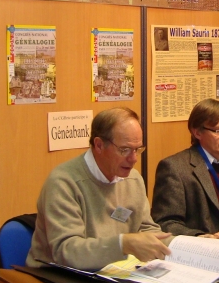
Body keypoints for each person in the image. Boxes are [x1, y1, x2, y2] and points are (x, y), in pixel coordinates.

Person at [26, 107, 171, 270]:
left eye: (137, 149)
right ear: (99, 145)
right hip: (59, 279)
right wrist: (123, 245)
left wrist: (193, 245)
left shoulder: (133, 179)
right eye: (124, 150)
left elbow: (147, 230)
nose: (134, 158)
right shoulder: (64, 182)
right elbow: (67, 252)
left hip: (115, 273)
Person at [151, 99, 219, 240]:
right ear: (197, 132)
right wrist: (202, 237)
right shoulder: (174, 168)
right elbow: (165, 223)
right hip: (209, 251)